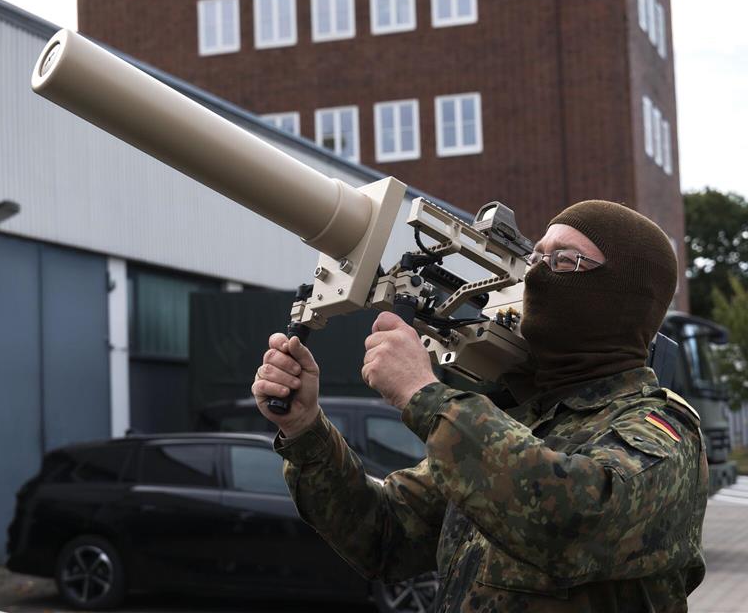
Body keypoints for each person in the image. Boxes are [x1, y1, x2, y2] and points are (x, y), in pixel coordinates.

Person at [252, 200, 708, 612]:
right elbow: (384, 535)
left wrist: (423, 395)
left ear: (625, 299)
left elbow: (573, 524)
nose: (535, 274)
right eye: (536, 257)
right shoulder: (518, 420)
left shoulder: (661, 428)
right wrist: (305, 428)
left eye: (563, 260)